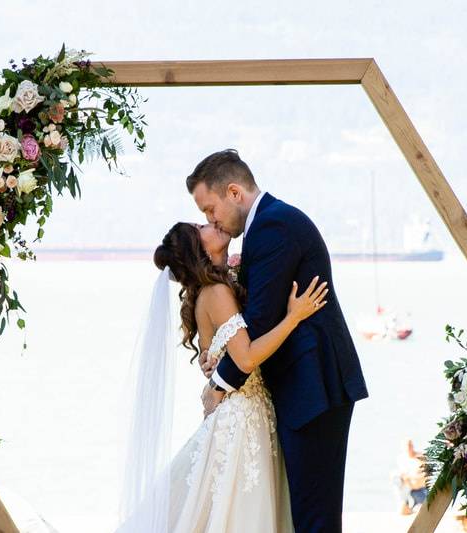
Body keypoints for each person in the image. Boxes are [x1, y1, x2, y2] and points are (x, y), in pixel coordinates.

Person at [190, 149, 369, 532]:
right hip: (306, 390)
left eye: (210, 209)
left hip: (314, 390)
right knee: (306, 513)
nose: (211, 220)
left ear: (234, 192)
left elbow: (257, 321)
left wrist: (218, 384)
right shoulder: (268, 226)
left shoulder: (272, 228)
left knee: (314, 517)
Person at [117, 221, 328, 533]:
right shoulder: (216, 293)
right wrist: (294, 316)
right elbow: (246, 357)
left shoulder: (217, 288)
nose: (211, 223)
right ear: (199, 249)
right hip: (243, 421)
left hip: (246, 414)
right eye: (201, 225)